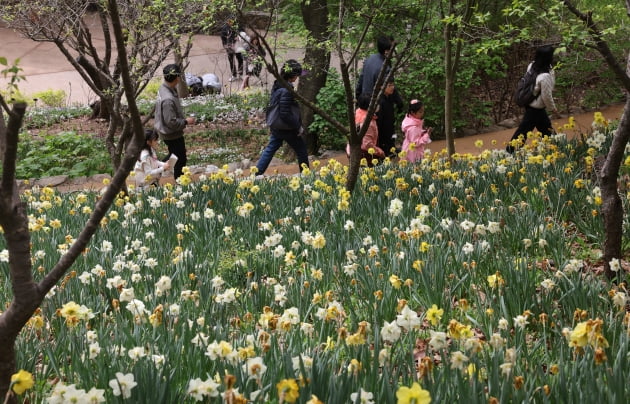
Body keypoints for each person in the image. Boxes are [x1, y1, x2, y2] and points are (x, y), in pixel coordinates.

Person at [255, 59, 309, 176]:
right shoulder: (286, 90)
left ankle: (257, 173)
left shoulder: (277, 84)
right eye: (297, 75)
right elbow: (285, 113)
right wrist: (297, 126)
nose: (297, 78)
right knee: (301, 149)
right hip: (287, 128)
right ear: (292, 75)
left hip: (277, 126)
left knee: (270, 149)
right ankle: (306, 175)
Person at [507, 45, 560, 153]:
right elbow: (546, 96)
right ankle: (510, 151)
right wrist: (553, 109)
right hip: (535, 109)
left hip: (530, 103)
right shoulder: (545, 76)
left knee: (546, 128)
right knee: (524, 131)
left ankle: (557, 147)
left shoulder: (532, 66)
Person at [154, 64, 195, 180]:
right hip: (171, 133)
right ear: (177, 77)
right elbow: (170, 122)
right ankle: (179, 181)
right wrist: (186, 121)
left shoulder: (164, 88)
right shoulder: (168, 99)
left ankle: (157, 169)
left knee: (176, 156)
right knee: (179, 158)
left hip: (166, 131)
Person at [347, 92, 385, 165]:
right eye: (376, 104)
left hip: (352, 150)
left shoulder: (358, 112)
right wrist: (380, 152)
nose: (378, 106)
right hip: (364, 155)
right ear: (370, 106)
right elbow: (366, 144)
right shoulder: (367, 122)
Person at [377, 78, 403, 157]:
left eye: (393, 85)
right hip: (383, 129)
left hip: (390, 124)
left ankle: (393, 148)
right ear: (381, 87)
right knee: (386, 140)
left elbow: (399, 102)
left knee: (393, 136)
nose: (392, 87)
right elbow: (379, 121)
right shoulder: (380, 101)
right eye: (389, 85)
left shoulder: (390, 96)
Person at [220, 18, 244, 82]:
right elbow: (222, 37)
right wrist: (225, 45)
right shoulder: (224, 28)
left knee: (240, 59)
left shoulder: (238, 26)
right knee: (231, 61)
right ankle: (234, 75)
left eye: (232, 21)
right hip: (229, 46)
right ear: (227, 21)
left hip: (237, 46)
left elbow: (243, 33)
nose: (231, 22)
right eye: (229, 21)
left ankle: (240, 74)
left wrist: (239, 38)